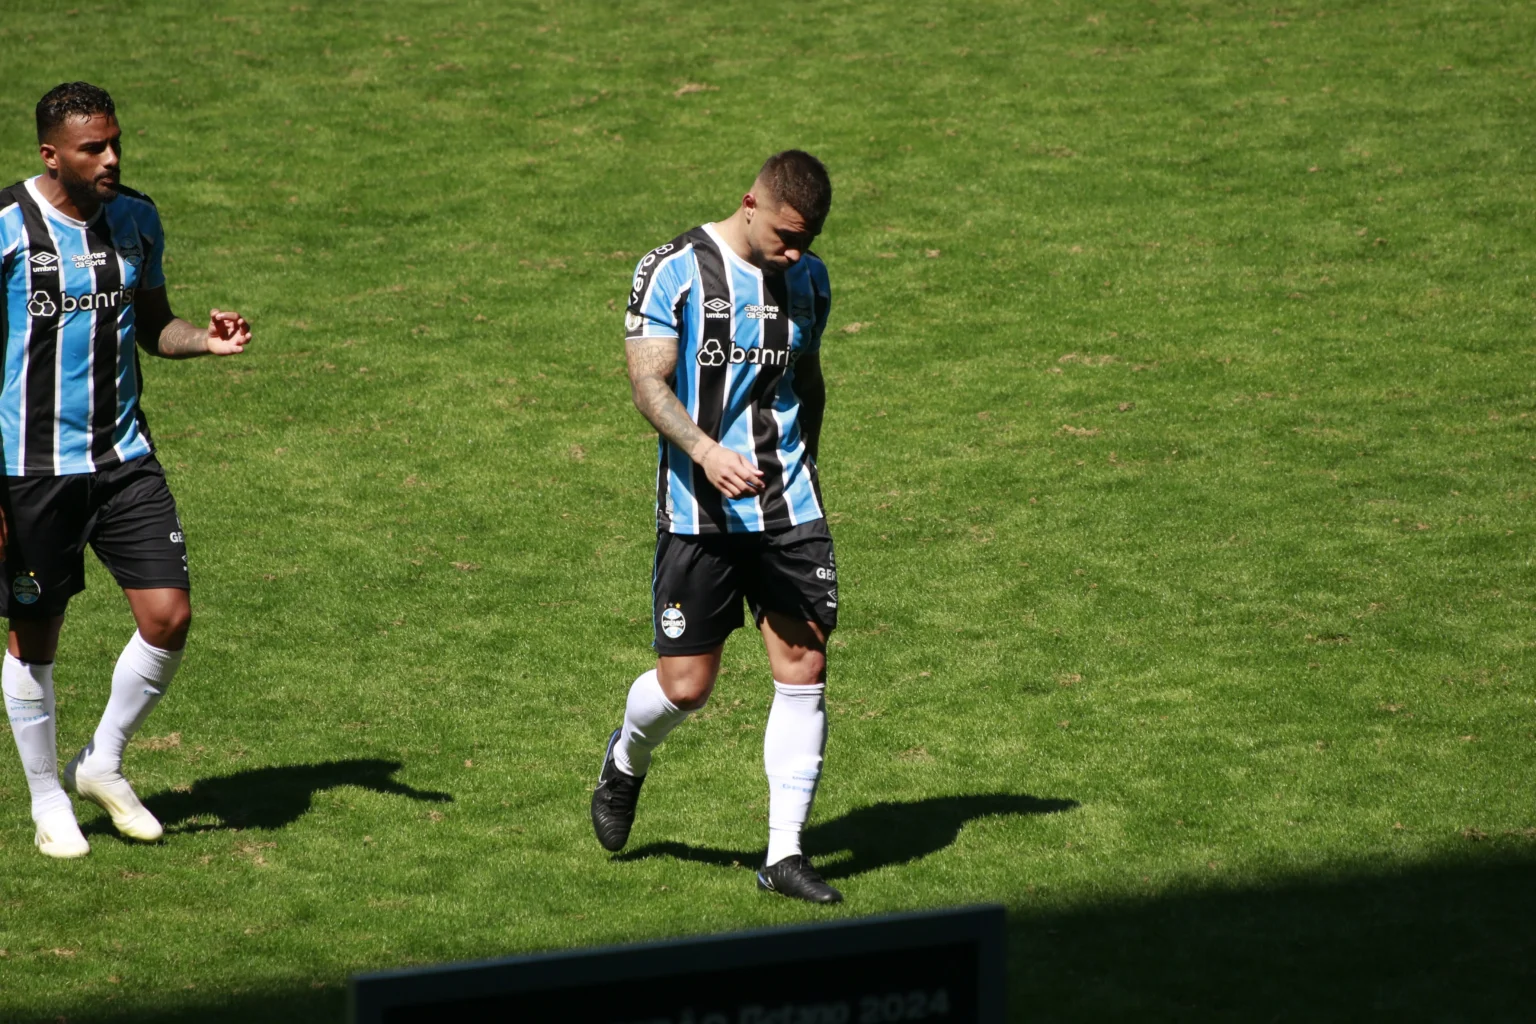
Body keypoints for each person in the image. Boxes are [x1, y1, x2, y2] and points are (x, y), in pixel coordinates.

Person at [0, 82, 251, 858]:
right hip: (28, 469)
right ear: (51, 154)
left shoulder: (136, 217)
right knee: (35, 637)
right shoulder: (7, 229)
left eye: (115, 144)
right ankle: (47, 797)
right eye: (92, 149)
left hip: (124, 459)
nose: (110, 159)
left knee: (168, 617)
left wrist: (202, 341)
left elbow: (152, 325)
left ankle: (100, 762)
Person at [592, 151, 842, 903]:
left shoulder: (810, 278)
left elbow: (808, 380)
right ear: (751, 204)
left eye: (810, 239)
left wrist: (808, 476)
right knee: (687, 688)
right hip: (700, 510)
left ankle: (784, 855)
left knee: (804, 667)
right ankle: (626, 757)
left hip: (787, 508)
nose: (796, 253)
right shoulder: (671, 268)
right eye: (788, 236)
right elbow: (648, 381)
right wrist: (705, 450)